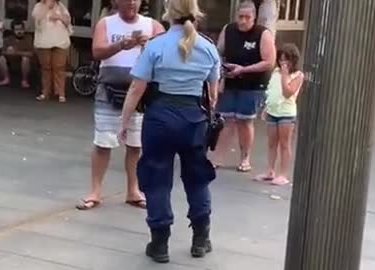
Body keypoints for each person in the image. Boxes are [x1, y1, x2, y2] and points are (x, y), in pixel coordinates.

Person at [119, 0, 220, 263]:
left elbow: (136, 89)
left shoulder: (156, 45)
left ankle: (160, 242)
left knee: (157, 177)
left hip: (160, 118)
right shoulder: (208, 47)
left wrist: (124, 121)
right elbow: (212, 93)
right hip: (193, 119)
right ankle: (201, 239)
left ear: (168, 13)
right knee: (197, 178)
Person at [76, 0, 164, 211]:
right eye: (126, 0)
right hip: (109, 89)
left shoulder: (152, 25)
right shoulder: (106, 23)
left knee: (136, 144)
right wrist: (120, 46)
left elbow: (166, 53)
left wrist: (149, 44)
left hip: (140, 93)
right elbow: (97, 52)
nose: (131, 3)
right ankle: (95, 191)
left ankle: (133, 190)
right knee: (103, 141)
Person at [210, 0, 276, 172]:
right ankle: (218, 157)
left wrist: (244, 70)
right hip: (231, 79)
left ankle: (245, 158)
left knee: (245, 121)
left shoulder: (262, 34)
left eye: (247, 17)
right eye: (241, 17)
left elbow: (269, 62)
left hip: (253, 84)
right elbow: (218, 53)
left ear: (254, 18)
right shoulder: (229, 30)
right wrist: (223, 72)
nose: (243, 21)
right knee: (227, 120)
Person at [255, 43, 304, 186]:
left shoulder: (298, 75)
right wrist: (266, 107)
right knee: (271, 143)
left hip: (286, 113)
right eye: (281, 60)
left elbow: (287, 93)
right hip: (272, 111)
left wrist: (284, 75)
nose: (283, 63)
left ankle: (283, 174)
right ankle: (270, 170)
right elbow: (272, 91)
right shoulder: (275, 72)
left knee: (284, 144)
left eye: (286, 60)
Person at [32, 0, 73, 103]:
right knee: (46, 67)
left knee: (59, 67)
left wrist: (58, 17)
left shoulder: (61, 7)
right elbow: (36, 19)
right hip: (44, 42)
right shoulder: (39, 6)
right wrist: (47, 7)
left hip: (60, 41)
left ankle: (60, 93)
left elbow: (68, 21)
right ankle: (45, 92)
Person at [0, 19, 34, 89]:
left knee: (25, 58)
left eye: (21, 29)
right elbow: (1, 51)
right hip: (10, 59)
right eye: (17, 29)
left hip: (24, 61)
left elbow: (31, 53)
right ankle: (6, 78)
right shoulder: (8, 39)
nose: (19, 31)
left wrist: (17, 52)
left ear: (24, 29)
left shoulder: (28, 38)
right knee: (1, 58)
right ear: (13, 30)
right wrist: (7, 52)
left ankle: (24, 81)